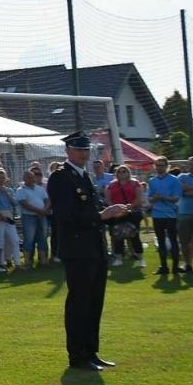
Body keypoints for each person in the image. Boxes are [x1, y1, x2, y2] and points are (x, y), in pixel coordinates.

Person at [49, 133, 132, 372]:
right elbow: (67, 216)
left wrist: (112, 213)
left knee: (95, 302)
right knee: (79, 302)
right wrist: (101, 215)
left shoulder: (85, 176)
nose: (84, 154)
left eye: (86, 150)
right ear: (68, 151)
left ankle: (91, 351)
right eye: (79, 150)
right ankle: (77, 355)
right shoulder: (60, 177)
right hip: (77, 249)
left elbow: (91, 212)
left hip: (94, 247)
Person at [104, 165, 145, 268]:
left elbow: (139, 198)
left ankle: (140, 258)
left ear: (128, 172)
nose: (122, 173)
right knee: (118, 235)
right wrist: (114, 209)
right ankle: (119, 258)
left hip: (133, 212)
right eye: (119, 171)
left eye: (124, 171)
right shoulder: (112, 185)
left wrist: (129, 207)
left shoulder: (135, 183)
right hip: (117, 213)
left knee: (134, 235)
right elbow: (108, 199)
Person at [146, 158, 181, 274]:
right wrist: (154, 198)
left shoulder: (174, 180)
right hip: (157, 215)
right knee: (160, 241)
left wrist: (163, 197)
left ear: (167, 166)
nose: (159, 167)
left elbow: (176, 197)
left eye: (161, 165)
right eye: (157, 165)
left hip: (171, 215)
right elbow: (149, 199)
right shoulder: (152, 181)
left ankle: (175, 267)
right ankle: (164, 267)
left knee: (173, 240)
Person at [16, 167, 52, 270]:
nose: (31, 179)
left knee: (43, 238)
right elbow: (25, 204)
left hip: (42, 216)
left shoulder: (40, 189)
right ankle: (27, 263)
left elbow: (47, 200)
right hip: (29, 217)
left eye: (32, 177)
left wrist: (44, 209)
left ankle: (43, 261)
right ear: (24, 179)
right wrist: (40, 211)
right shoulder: (21, 190)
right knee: (29, 239)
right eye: (28, 177)